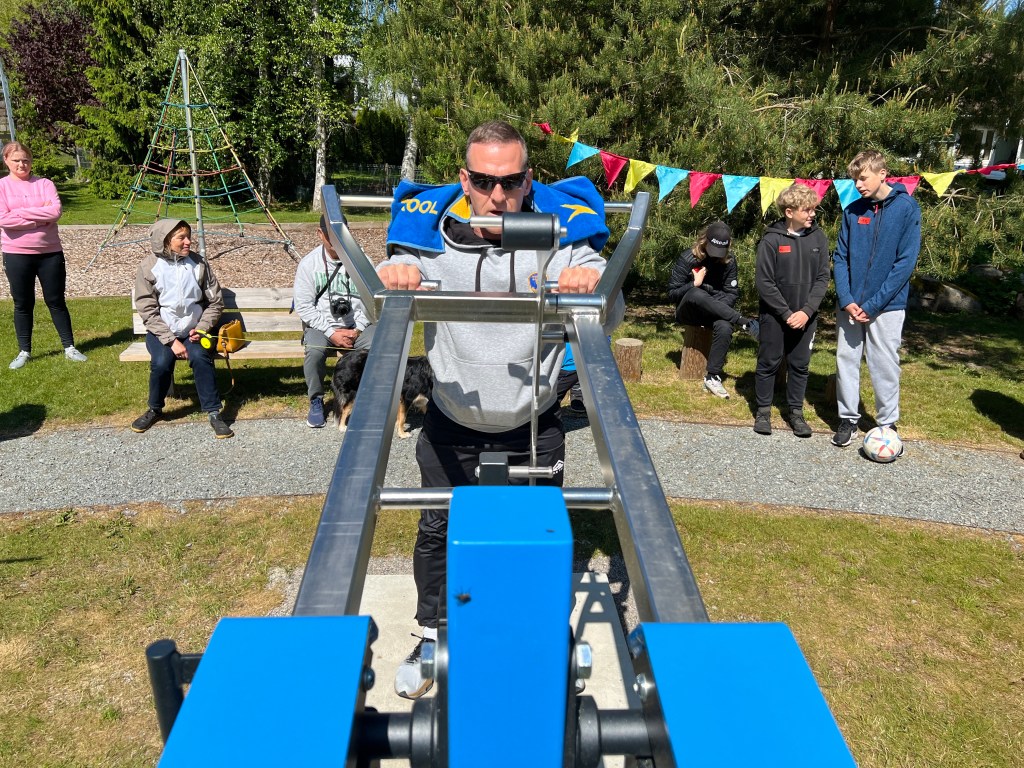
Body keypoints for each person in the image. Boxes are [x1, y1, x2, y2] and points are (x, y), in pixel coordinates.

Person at [376, 120, 623, 699]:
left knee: (539, 533)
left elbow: (607, 310)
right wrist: (395, 272)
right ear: (464, 179)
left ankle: (540, 635)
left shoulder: (560, 235)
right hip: (452, 422)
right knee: (438, 530)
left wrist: (590, 283)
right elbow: (394, 282)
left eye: (510, 182)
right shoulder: (431, 234)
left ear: (528, 180)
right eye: (484, 181)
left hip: (532, 423)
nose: (497, 195)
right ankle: (434, 634)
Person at [832, 150, 921, 452]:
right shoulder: (852, 210)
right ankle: (847, 419)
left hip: (887, 306)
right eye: (855, 180)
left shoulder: (907, 208)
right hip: (850, 305)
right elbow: (840, 257)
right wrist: (846, 298)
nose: (858, 185)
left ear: (882, 174)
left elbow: (905, 263)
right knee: (846, 361)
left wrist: (873, 304)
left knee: (884, 363)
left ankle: (887, 424)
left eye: (863, 178)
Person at [130, 219, 233, 439]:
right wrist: (171, 340)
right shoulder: (149, 267)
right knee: (161, 362)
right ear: (166, 240)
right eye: (181, 238)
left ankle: (214, 413)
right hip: (162, 333)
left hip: (195, 331)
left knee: (200, 357)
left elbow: (215, 302)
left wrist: (202, 328)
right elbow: (147, 310)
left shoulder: (199, 263)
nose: (188, 242)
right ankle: (154, 409)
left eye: (189, 237)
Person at [752, 184, 832, 437]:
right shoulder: (771, 240)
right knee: (768, 362)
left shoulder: (818, 238)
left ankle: (796, 413)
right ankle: (763, 411)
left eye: (813, 209)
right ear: (789, 212)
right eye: (807, 210)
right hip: (775, 316)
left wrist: (807, 311)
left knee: (800, 365)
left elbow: (823, 278)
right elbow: (764, 283)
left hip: (806, 317)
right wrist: (786, 314)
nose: (812, 214)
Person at [0, 141, 87, 369]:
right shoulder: (2, 187)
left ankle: (69, 347)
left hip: (50, 253)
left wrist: (20, 214)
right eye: (16, 160)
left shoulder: (45, 184)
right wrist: (39, 217)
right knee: (22, 303)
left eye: (26, 160)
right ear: (6, 161)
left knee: (56, 301)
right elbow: (3, 219)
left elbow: (55, 212)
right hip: (16, 254)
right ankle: (24, 351)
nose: (22, 164)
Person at [294, 216, 375, 428]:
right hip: (322, 327)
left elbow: (373, 301)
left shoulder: (363, 261)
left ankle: (366, 400)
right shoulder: (309, 264)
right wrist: (331, 332)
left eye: (341, 234)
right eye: (331, 236)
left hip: (357, 326)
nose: (337, 241)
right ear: (320, 234)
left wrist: (358, 329)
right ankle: (316, 400)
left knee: (377, 347)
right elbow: (304, 306)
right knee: (314, 351)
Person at [667, 221, 759, 399]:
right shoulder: (688, 258)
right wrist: (694, 284)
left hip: (715, 311)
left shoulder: (729, 262)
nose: (716, 255)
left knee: (725, 326)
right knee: (696, 293)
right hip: (689, 311)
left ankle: (712, 376)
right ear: (704, 241)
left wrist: (713, 304)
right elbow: (672, 294)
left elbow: (732, 293)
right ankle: (744, 322)